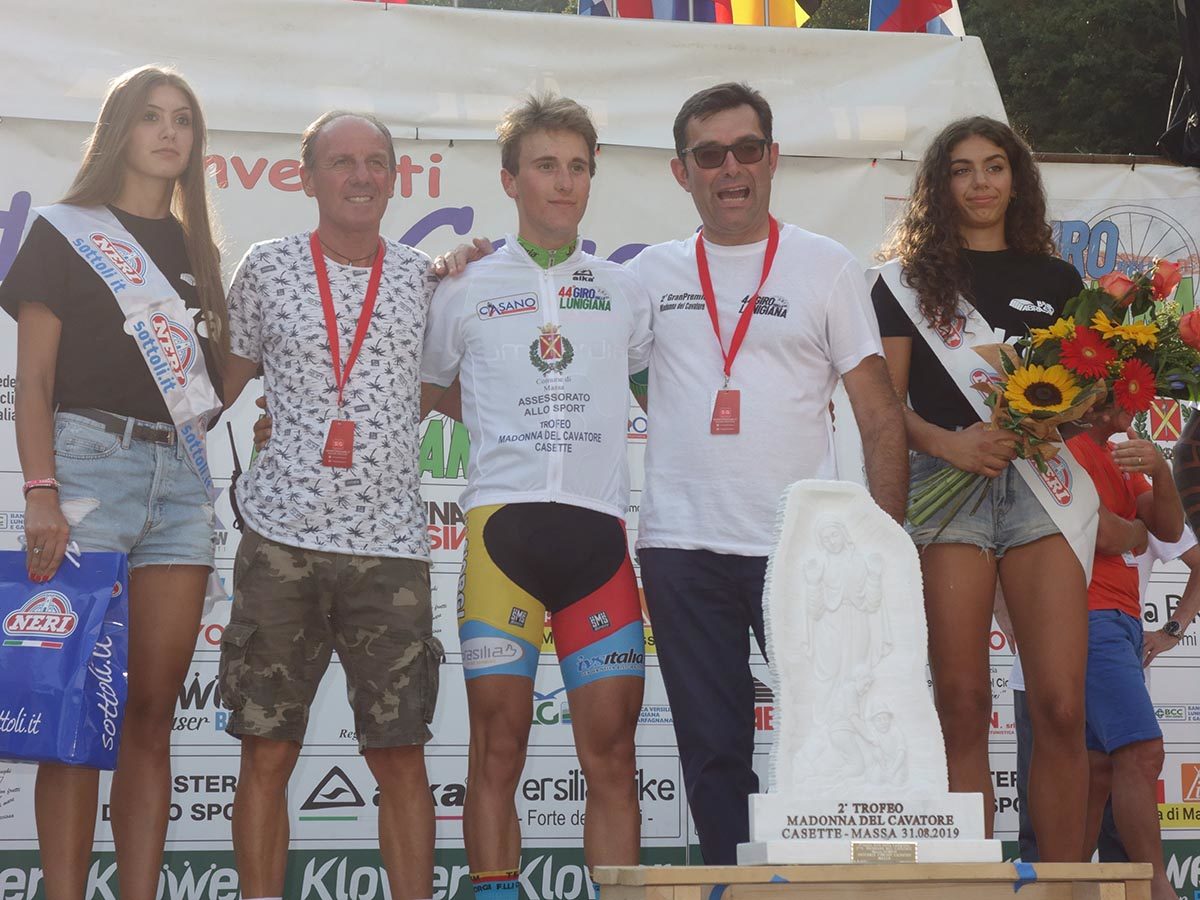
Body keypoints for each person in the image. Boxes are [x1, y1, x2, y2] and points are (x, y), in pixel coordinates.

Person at [627, 82, 908, 864]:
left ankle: (825, 879)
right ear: (682, 172)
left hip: (804, 548)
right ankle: (730, 880)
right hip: (681, 547)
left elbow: (880, 415)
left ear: (773, 158)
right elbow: (573, 343)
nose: (731, 169)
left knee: (829, 736)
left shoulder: (827, 267)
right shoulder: (648, 271)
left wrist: (885, 545)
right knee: (713, 750)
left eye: (747, 150)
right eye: (709, 154)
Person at [0, 65, 227, 900]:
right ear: (119, 130)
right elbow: (31, 384)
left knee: (151, 712)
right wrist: (39, 492)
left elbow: (211, 389)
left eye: (183, 120)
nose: (169, 133)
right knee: (74, 717)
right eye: (151, 117)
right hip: (89, 467)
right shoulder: (63, 232)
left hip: (182, 483)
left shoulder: (200, 250)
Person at [421, 94, 652, 899]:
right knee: (496, 745)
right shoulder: (464, 283)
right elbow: (425, 394)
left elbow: (665, 398)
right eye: (545, 166)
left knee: (615, 753)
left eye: (577, 167)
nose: (563, 183)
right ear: (510, 180)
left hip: (598, 544)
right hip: (499, 540)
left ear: (592, 178)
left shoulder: (625, 289)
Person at [218, 111, 442, 900]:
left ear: (394, 177)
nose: (361, 176)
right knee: (266, 752)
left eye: (377, 162)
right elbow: (219, 387)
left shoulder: (427, 277)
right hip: (280, 541)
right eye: (342, 162)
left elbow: (463, 386)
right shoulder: (269, 267)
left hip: (392, 550)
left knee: (401, 754)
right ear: (306, 175)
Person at [872, 116, 1093, 860]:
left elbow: (1081, 396)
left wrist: (1074, 409)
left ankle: (1064, 880)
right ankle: (969, 875)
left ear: (1016, 179)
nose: (980, 183)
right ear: (940, 186)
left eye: (995, 167)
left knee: (1062, 706)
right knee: (961, 704)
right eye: (962, 170)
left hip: (1039, 487)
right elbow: (886, 406)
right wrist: (952, 444)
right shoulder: (904, 281)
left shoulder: (1058, 281)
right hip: (945, 487)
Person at [1007, 521, 1200, 863]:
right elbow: (994, 556)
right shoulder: (1037, 487)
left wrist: (1173, 629)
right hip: (1040, 677)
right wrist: (1009, 618)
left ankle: (1144, 884)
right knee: (1042, 831)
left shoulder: (1138, 495)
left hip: (1112, 672)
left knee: (1120, 833)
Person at [1066, 414, 1182, 900]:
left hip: (1117, 618)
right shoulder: (1067, 444)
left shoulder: (1117, 452)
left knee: (1098, 768)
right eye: (1125, 391)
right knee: (1141, 752)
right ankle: (1155, 889)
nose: (1133, 409)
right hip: (1091, 613)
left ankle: (1066, 886)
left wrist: (1161, 472)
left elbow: (1170, 529)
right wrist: (1137, 532)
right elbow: (1107, 534)